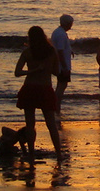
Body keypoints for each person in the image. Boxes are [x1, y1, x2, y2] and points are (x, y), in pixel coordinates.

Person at [14, 26, 63, 155]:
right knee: (51, 124)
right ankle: (58, 153)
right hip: (45, 89)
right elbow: (57, 72)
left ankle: (31, 152)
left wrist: (32, 70)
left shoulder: (27, 52)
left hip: (30, 88)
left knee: (30, 124)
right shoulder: (52, 51)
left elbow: (17, 72)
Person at [50, 14, 75, 113]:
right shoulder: (61, 34)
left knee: (60, 85)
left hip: (60, 65)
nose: (71, 26)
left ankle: (56, 106)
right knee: (62, 86)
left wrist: (70, 50)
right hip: (62, 66)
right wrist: (64, 67)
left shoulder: (59, 32)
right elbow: (59, 52)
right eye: (70, 24)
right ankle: (56, 106)